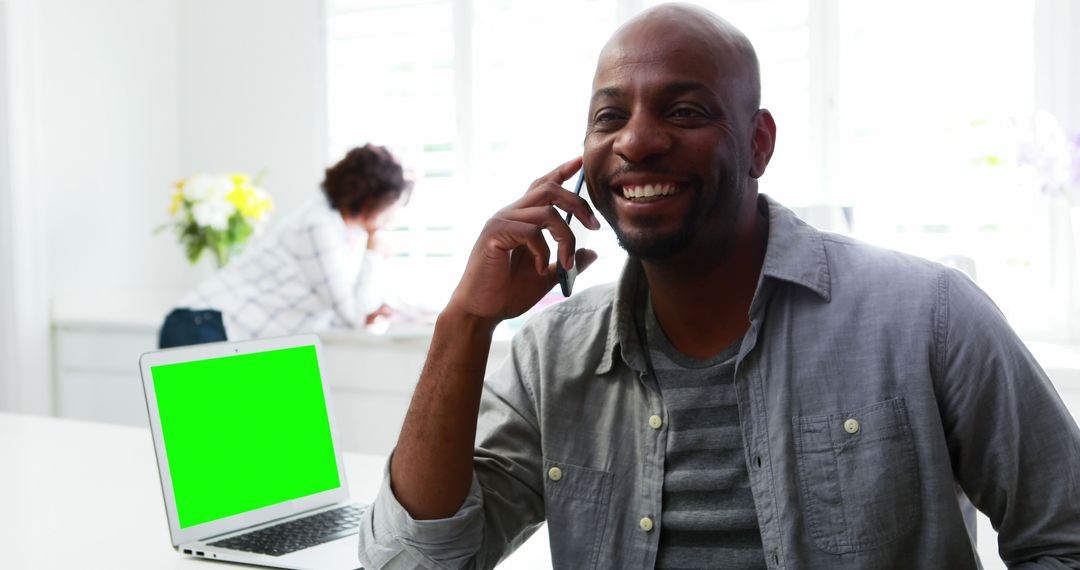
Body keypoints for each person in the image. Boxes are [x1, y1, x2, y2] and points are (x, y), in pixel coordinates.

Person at [357, 4, 1080, 569]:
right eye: (610, 116)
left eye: (684, 110)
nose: (636, 141)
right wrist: (466, 323)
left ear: (759, 142)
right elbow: (410, 564)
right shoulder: (553, 356)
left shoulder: (928, 315)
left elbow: (1065, 538)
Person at [159, 144, 412, 348]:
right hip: (203, 325)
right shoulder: (319, 225)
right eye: (394, 204)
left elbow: (352, 310)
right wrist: (374, 252)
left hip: (221, 332)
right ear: (373, 198)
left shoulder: (344, 234)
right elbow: (354, 315)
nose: (395, 214)